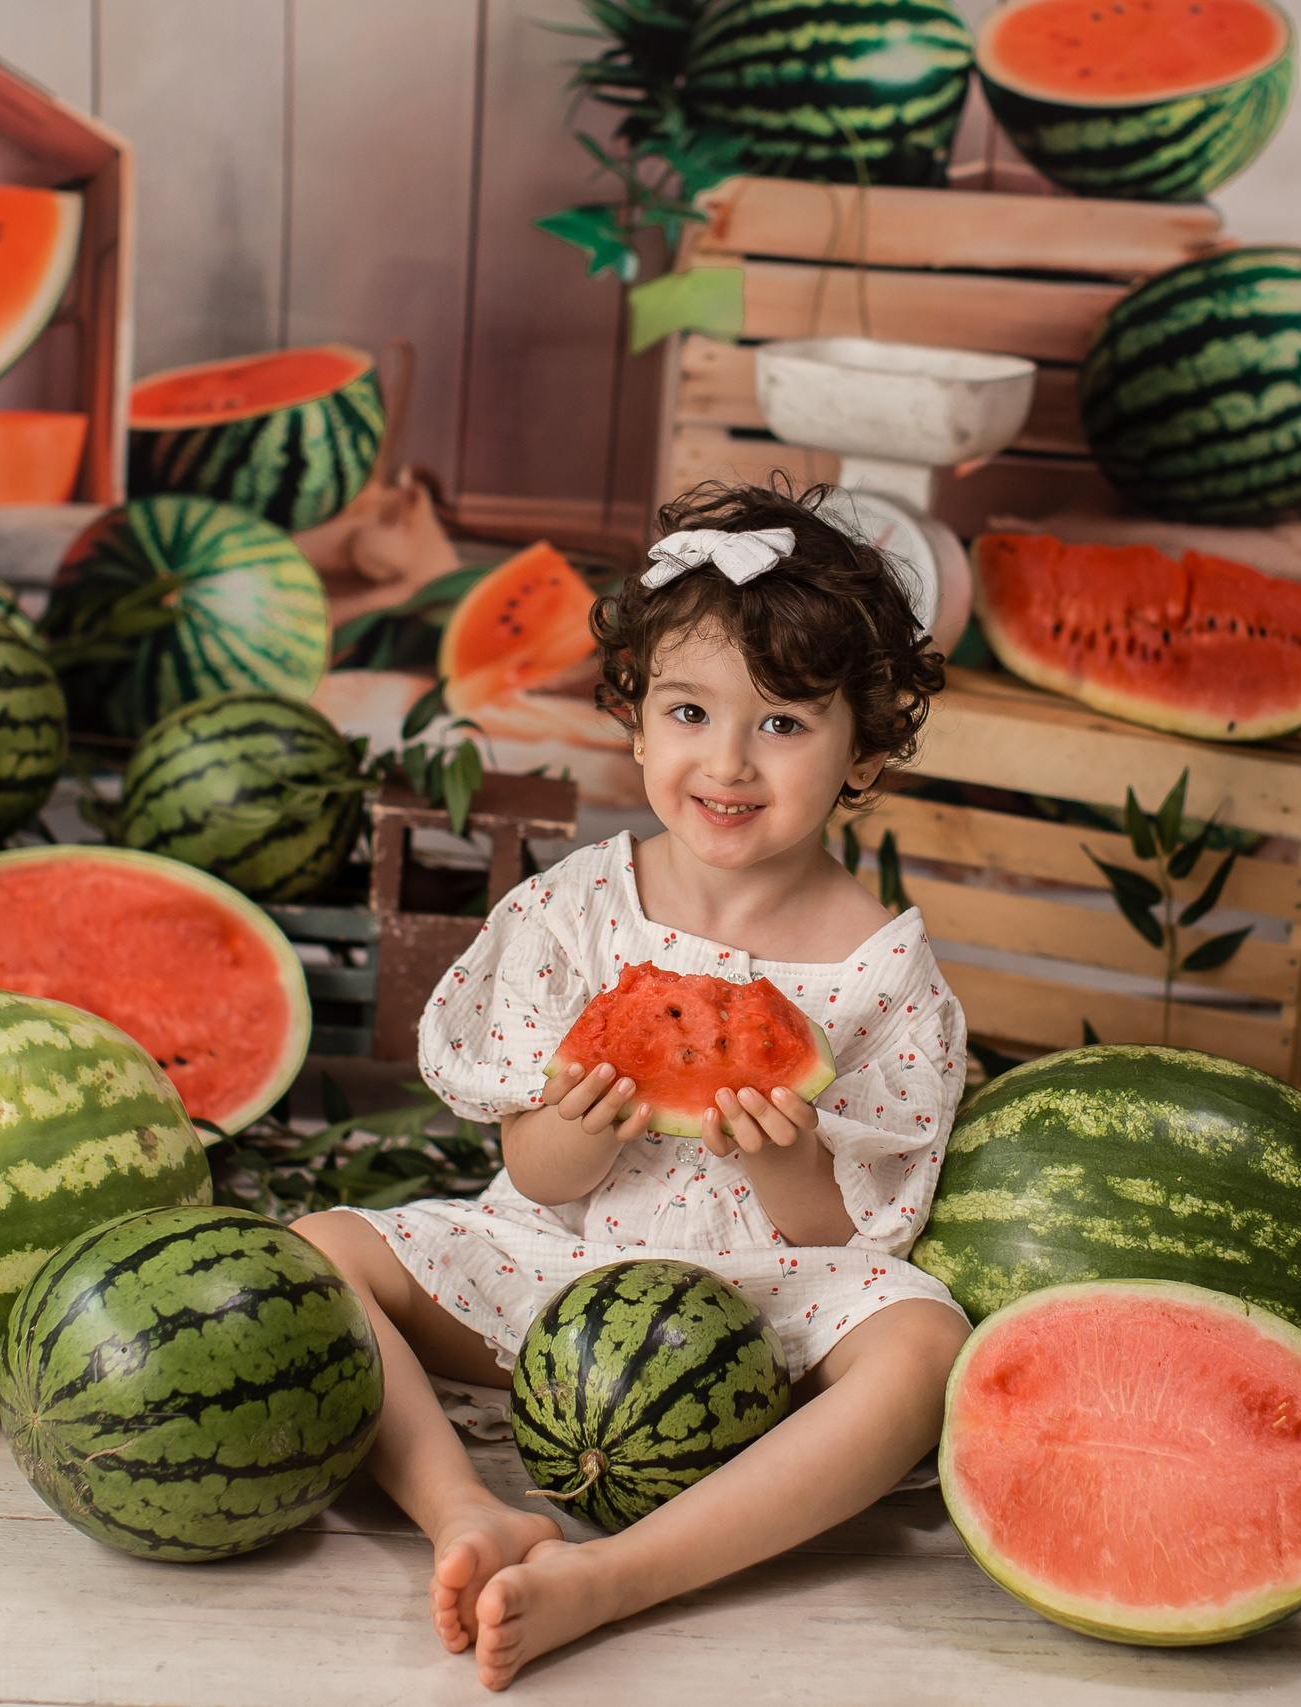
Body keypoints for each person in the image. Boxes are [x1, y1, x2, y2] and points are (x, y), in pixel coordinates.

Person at [298, 479, 972, 1691]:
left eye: (783, 723)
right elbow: (532, 1175)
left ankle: (617, 1577)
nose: (727, 761)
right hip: (554, 1272)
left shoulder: (883, 974)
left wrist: (791, 1159)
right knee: (320, 1250)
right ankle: (462, 1510)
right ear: (636, 719)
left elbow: (853, 1236)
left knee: (922, 1352)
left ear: (864, 750)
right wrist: (578, 1129)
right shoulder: (574, 912)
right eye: (689, 710)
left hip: (763, 1312)